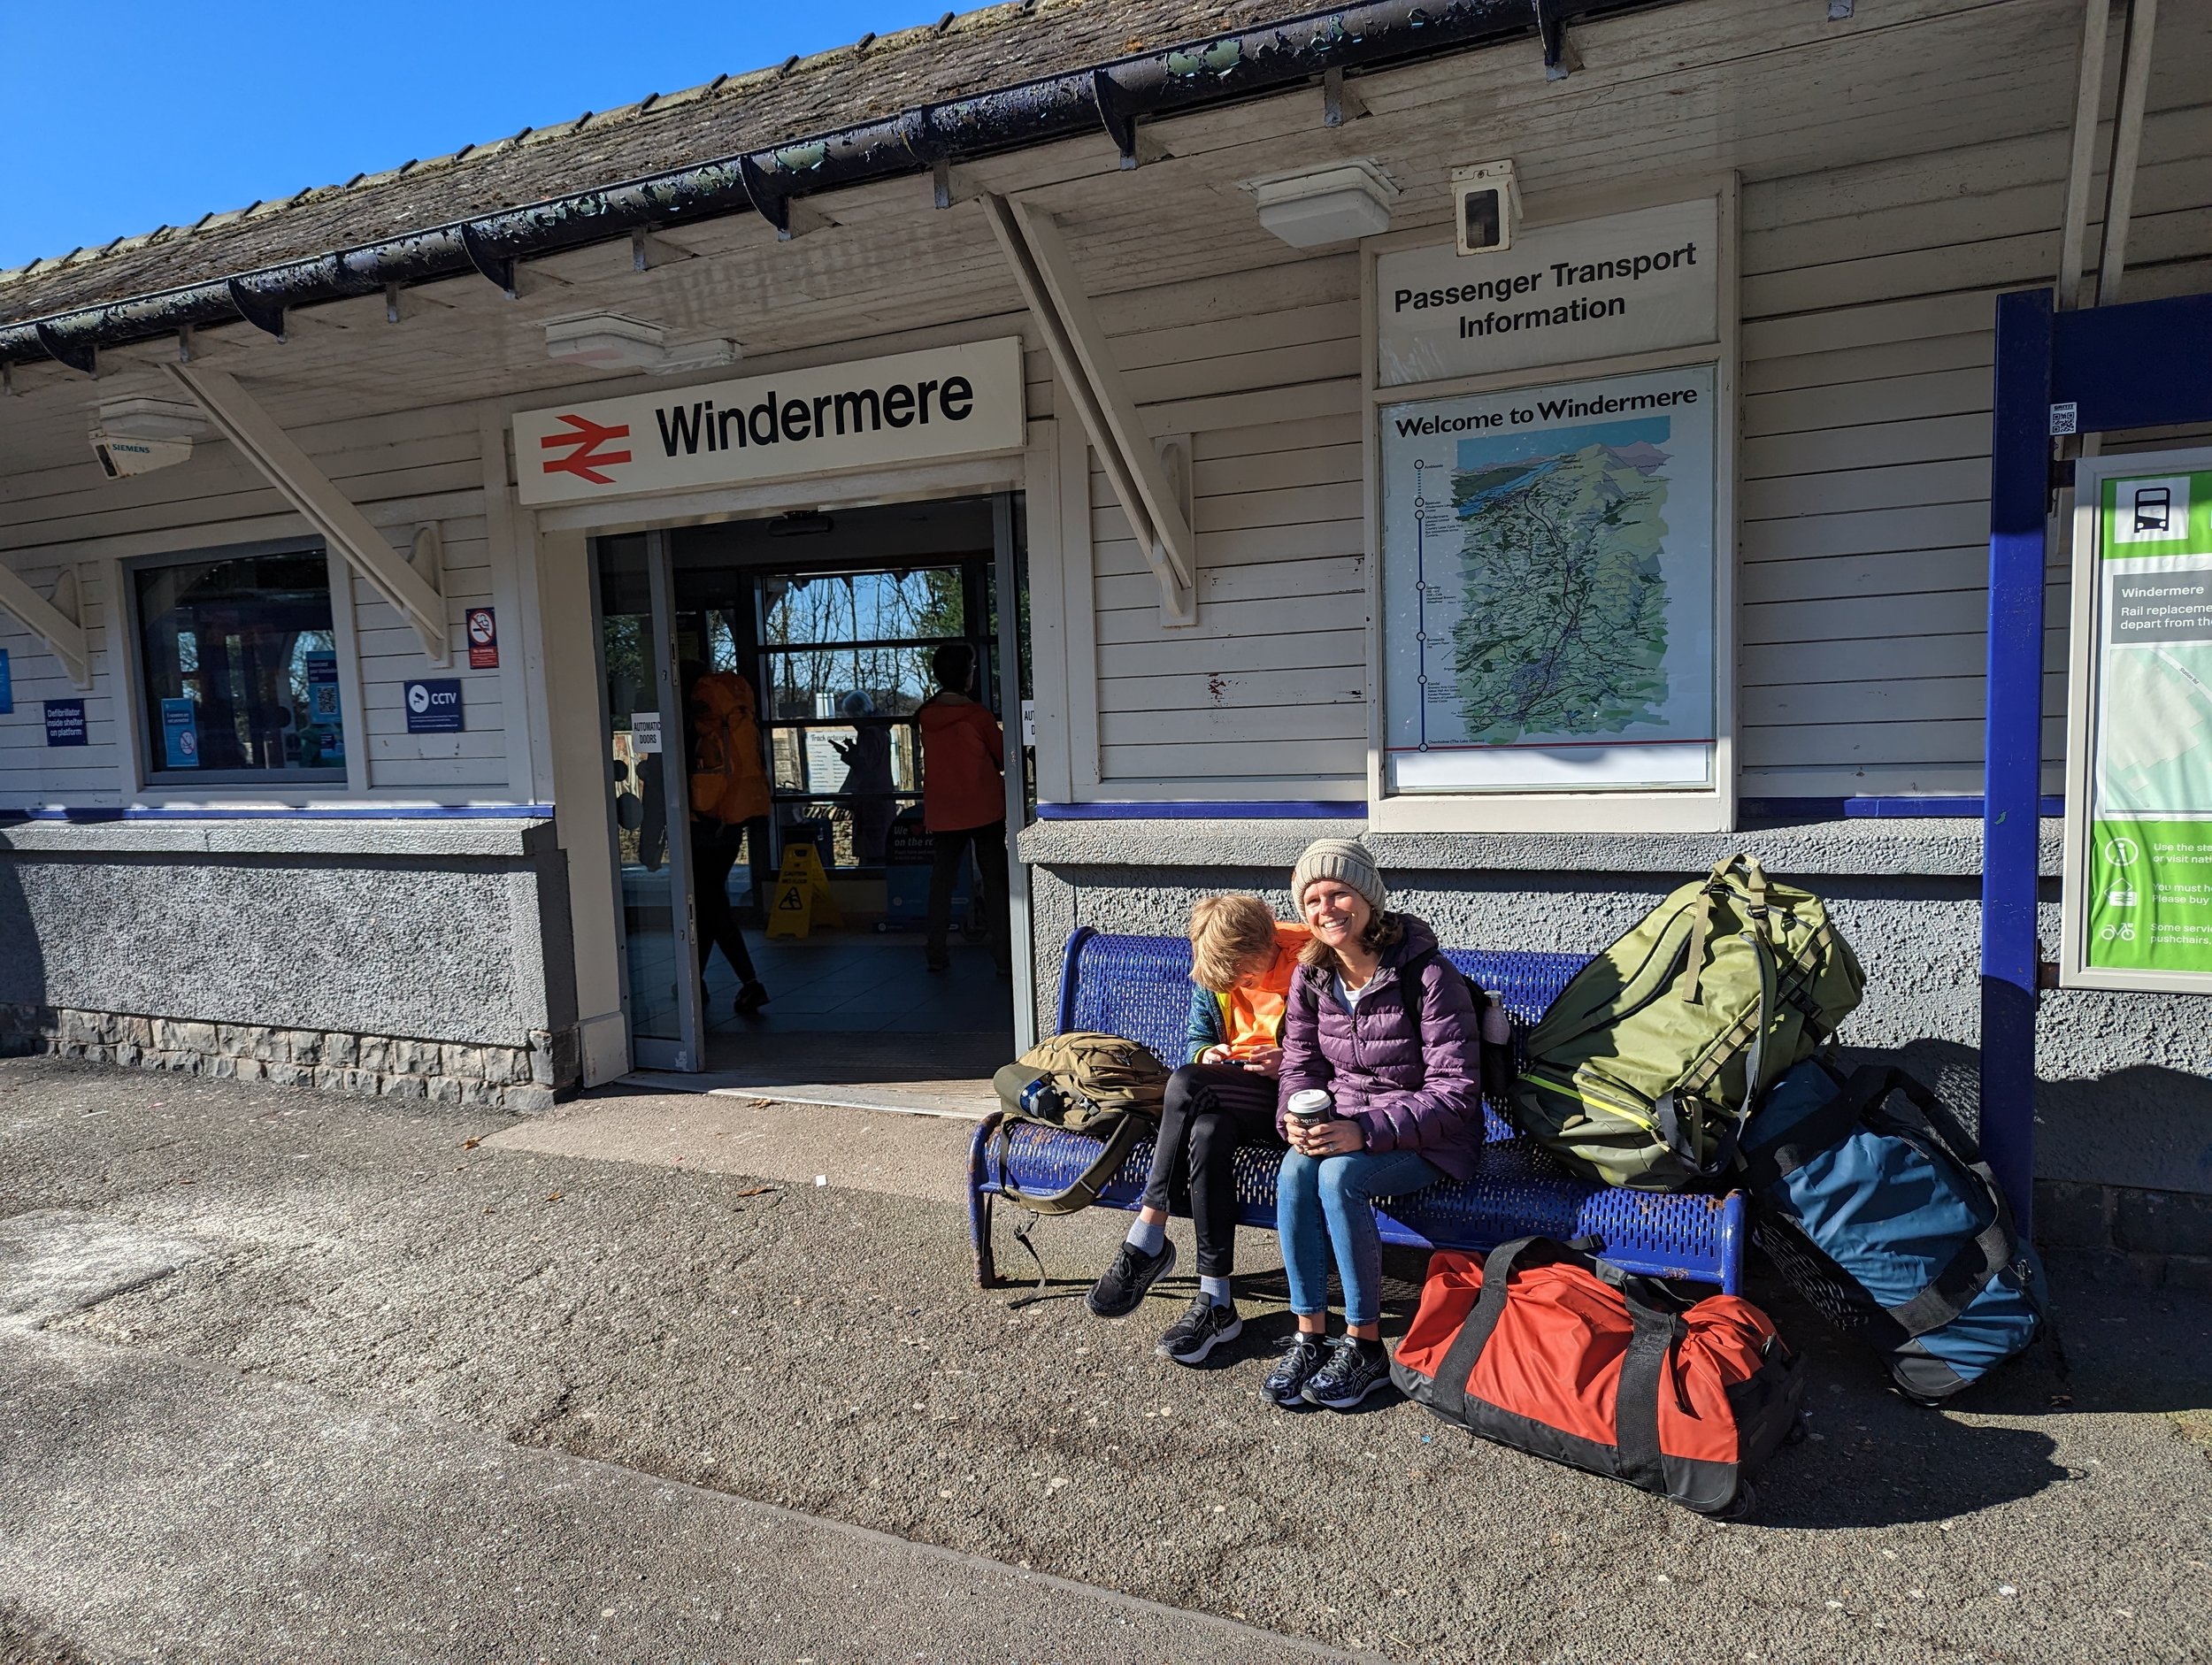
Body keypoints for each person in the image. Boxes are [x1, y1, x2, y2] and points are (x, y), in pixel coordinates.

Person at [1263, 839, 1486, 1412]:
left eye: (1338, 892)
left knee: (1339, 1177)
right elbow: (1299, 1064)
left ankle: (1365, 1347)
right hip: (1347, 1126)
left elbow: (1456, 1093)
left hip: (1432, 1136)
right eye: (1312, 898)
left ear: (1368, 898)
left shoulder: (1428, 975)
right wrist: (1294, 1116)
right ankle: (1311, 1335)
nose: (1326, 908)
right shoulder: (1312, 975)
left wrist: (1363, 1131)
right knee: (1294, 1171)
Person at [1085, 896, 1308, 1362]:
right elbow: (1199, 1037)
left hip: (1287, 1101)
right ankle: (1216, 1299)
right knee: (1206, 1131)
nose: (1238, 987)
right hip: (1226, 1094)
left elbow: (1342, 1047)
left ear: (1266, 945)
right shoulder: (1218, 966)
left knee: (1185, 1082)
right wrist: (1208, 1054)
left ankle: (1147, 1236)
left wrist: (1287, 1062)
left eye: (1245, 979)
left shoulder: (1309, 961)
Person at [916, 643, 1009, 976]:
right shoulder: (977, 715)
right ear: (966, 674)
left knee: (941, 882)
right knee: (996, 882)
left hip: (943, 811)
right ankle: (1004, 960)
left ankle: (936, 953)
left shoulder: (926, 716)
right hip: (984, 809)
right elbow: (1002, 756)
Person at [687, 667, 772, 1017]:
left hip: (703, 823)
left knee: (712, 905)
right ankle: (695, 978)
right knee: (710, 902)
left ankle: (751, 984)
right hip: (732, 821)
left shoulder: (694, 724)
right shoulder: (734, 719)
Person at [831, 690, 895, 867]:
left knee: (871, 856)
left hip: (871, 803)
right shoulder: (880, 730)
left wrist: (847, 754)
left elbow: (866, 768)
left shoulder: (869, 733)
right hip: (880, 800)